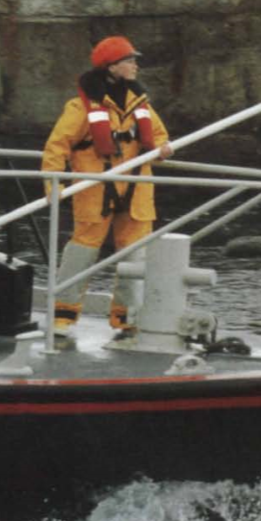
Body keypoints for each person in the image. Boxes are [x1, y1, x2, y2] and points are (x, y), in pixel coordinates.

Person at [42, 36, 172, 335]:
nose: (135, 65)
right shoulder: (80, 108)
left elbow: (159, 134)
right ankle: (63, 314)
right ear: (112, 67)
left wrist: (164, 148)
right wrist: (53, 184)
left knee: (135, 254)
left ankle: (127, 317)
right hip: (94, 190)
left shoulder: (140, 103)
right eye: (129, 60)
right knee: (82, 251)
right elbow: (57, 146)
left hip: (137, 190)